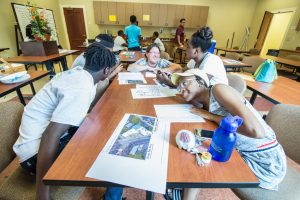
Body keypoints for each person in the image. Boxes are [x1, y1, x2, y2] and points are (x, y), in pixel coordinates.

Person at [12, 43, 123, 200]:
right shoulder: (82, 87)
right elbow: (51, 135)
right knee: (117, 153)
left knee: (102, 130)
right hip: (35, 156)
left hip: (34, 143)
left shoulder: (79, 74)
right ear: (106, 71)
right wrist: (42, 193)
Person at [171, 69, 287, 200]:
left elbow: (257, 132)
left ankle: (185, 197)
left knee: (201, 156)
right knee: (196, 145)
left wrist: (211, 116)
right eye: (179, 86)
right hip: (240, 150)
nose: (181, 89)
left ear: (201, 82)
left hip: (264, 160)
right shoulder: (203, 102)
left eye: (185, 83)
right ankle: (184, 191)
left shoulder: (218, 90)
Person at [157, 27, 228, 87]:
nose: (185, 49)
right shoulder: (194, 60)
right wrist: (171, 76)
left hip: (214, 101)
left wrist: (168, 81)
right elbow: (183, 70)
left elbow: (195, 87)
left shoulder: (211, 61)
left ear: (196, 51)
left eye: (188, 47)